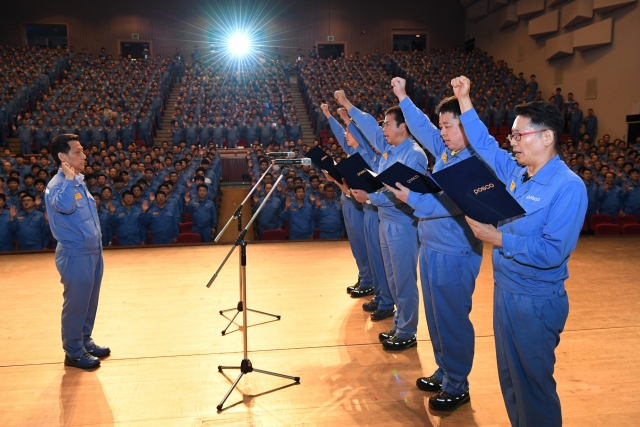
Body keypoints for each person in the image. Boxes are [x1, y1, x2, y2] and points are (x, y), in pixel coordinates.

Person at [453, 76, 587, 427]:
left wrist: (497, 239)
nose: (511, 142)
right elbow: (483, 143)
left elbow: (552, 251)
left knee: (535, 386)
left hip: (536, 301)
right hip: (505, 293)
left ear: (546, 137)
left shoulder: (568, 187)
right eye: (511, 135)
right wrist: (465, 100)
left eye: (518, 135)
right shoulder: (517, 173)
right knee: (511, 380)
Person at [383, 77, 483, 411]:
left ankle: (458, 384)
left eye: (449, 126)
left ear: (466, 125)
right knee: (437, 317)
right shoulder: (446, 151)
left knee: (453, 318)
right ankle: (445, 370)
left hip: (455, 253)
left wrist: (410, 197)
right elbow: (422, 128)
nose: (442, 132)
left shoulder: (473, 162)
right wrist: (403, 97)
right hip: (431, 246)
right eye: (442, 126)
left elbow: (448, 204)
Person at [337, 90, 428, 352]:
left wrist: (370, 198)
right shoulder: (390, 149)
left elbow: (403, 195)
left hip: (402, 223)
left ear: (403, 126)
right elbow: (367, 126)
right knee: (393, 277)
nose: (383, 128)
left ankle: (408, 331)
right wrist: (348, 107)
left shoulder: (414, 154)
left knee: (404, 279)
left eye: (387, 123)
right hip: (386, 221)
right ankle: (400, 324)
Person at [45, 134, 110, 369]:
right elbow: (65, 206)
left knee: (89, 301)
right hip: (75, 254)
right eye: (78, 152)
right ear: (63, 157)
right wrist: (70, 181)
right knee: (76, 303)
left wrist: (74, 180)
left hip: (93, 252)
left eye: (83, 151)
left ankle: (84, 340)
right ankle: (73, 351)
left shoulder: (78, 181)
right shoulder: (58, 186)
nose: (84, 155)